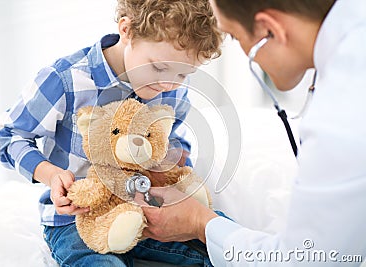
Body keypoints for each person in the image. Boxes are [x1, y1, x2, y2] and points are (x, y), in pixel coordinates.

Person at [137, 0, 366, 266]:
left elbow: (311, 258)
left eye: (235, 36)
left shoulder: (343, 117)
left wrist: (201, 223)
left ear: (270, 31)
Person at [0, 0, 223, 266]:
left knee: (222, 239)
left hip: (146, 209)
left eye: (184, 74)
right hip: (78, 219)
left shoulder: (171, 83)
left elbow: (173, 136)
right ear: (127, 30)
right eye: (159, 68)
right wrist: (51, 174)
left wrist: (174, 159)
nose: (168, 84)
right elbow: (10, 135)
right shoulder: (66, 80)